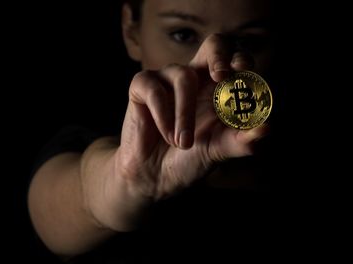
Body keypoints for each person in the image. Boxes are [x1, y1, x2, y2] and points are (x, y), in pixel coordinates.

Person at [28, 0, 282, 262]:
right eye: (183, 34)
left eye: (249, 41)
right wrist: (125, 179)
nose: (212, 61)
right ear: (131, 30)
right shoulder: (81, 144)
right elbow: (52, 217)